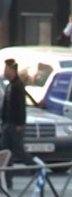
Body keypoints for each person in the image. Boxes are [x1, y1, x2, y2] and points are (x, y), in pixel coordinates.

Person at [1, 59, 35, 189]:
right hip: (7, 124)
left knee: (18, 151)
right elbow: (6, 106)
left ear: (12, 71)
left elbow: (21, 106)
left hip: (15, 125)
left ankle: (36, 169)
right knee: (6, 152)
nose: (5, 72)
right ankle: (7, 180)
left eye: (6, 70)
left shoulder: (18, 86)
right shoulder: (9, 86)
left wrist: (20, 123)